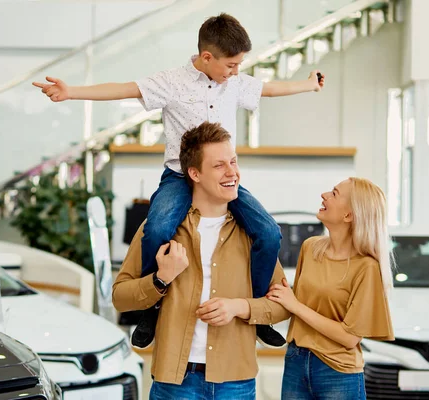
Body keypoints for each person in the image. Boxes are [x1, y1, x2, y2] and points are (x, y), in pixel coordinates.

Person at [34, 13, 325, 347]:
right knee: (156, 229)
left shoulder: (235, 82)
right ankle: (152, 308)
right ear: (206, 57)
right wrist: (71, 92)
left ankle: (256, 311)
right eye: (231, 64)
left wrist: (309, 85)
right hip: (178, 177)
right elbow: (124, 89)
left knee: (269, 233)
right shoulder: (172, 82)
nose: (236, 71)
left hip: (221, 180)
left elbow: (270, 89)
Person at [112, 121, 290, 399]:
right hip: (175, 382)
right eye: (219, 165)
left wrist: (239, 307)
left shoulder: (253, 234)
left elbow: (281, 305)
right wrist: (160, 279)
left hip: (236, 382)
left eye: (233, 161)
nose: (232, 172)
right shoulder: (160, 229)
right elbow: (120, 297)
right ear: (194, 173)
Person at [266, 177, 395, 400]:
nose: (324, 195)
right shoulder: (310, 247)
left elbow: (350, 338)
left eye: (334, 194)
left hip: (337, 371)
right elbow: (294, 300)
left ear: (349, 215)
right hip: (296, 360)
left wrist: (295, 305)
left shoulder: (367, 267)